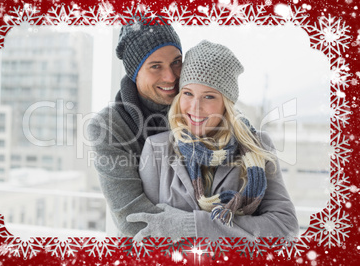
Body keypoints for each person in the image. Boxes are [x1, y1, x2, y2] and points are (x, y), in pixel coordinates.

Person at [127, 40, 300, 241]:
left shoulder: (257, 145)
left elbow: (285, 227)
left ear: (226, 103)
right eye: (188, 93)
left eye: (209, 97)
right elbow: (148, 234)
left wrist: (193, 225)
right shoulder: (157, 148)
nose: (195, 107)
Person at [87, 19, 183, 236]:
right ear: (135, 72)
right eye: (155, 66)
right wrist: (209, 231)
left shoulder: (201, 111)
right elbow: (135, 221)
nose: (170, 76)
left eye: (176, 62)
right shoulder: (108, 126)